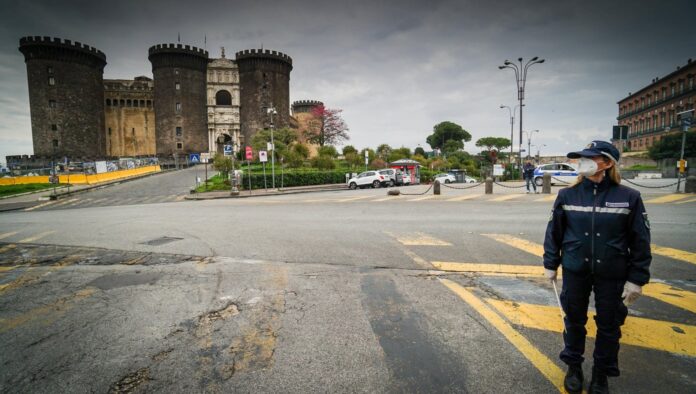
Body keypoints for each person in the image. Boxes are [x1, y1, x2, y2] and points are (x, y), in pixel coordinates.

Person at [542, 141, 651, 394]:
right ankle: (574, 366)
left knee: (609, 325)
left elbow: (641, 240)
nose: (583, 162)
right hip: (575, 269)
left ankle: (601, 374)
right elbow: (554, 232)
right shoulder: (567, 195)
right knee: (574, 321)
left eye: (590, 158)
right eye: (581, 158)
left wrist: (637, 279)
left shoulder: (629, 198)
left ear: (608, 163)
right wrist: (551, 263)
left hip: (612, 273)